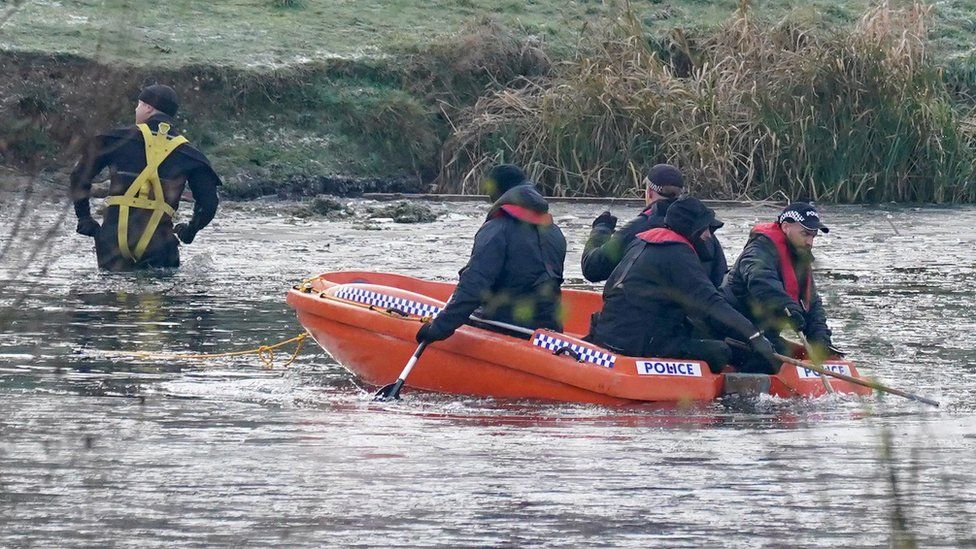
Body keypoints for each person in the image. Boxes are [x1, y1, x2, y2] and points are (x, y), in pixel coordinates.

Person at [588, 196, 780, 374]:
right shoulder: (677, 253)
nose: (708, 236)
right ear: (692, 229)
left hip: (611, 334)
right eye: (706, 229)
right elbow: (711, 304)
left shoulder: (642, 240)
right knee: (720, 351)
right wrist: (754, 336)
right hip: (638, 344)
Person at [70, 84, 221, 271]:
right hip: (159, 245)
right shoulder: (190, 154)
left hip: (112, 242)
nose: (136, 109)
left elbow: (79, 176)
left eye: (139, 104)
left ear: (149, 107)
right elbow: (208, 203)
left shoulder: (115, 140)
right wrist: (190, 230)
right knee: (157, 293)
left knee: (111, 296)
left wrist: (84, 217)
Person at [415, 164, 566, 344]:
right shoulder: (554, 230)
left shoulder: (497, 228)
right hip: (549, 328)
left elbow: (475, 285)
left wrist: (439, 327)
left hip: (507, 327)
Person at [721, 202, 837, 366]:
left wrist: (820, 338)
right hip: (735, 327)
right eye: (805, 234)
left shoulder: (799, 257)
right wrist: (787, 308)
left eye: (813, 236)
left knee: (804, 348)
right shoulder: (759, 250)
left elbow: (812, 302)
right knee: (775, 357)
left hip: (765, 330)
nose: (810, 242)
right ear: (786, 227)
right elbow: (760, 281)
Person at [581, 164, 727, 287]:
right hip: (698, 314)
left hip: (649, 316)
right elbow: (720, 279)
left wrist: (601, 229)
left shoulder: (637, 228)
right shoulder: (703, 230)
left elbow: (592, 269)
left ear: (649, 192)